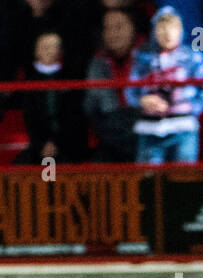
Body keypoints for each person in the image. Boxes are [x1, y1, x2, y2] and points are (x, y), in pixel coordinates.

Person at [126, 6, 203, 164]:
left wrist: (188, 106)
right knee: (149, 180)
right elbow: (130, 92)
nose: (167, 33)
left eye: (172, 27)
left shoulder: (193, 56)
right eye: (162, 27)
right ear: (154, 30)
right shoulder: (142, 57)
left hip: (183, 128)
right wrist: (143, 101)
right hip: (150, 128)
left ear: (180, 29)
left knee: (182, 180)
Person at [15, 32, 86, 165]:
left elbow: (73, 116)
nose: (49, 51)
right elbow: (30, 118)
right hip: (38, 145)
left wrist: (56, 143)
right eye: (44, 47)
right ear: (37, 51)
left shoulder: (70, 79)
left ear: (60, 51)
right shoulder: (29, 82)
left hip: (66, 144)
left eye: (53, 47)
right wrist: (42, 144)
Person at [84, 8, 142, 162]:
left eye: (119, 27)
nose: (113, 33)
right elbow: (92, 110)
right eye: (107, 28)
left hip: (147, 136)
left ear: (133, 28)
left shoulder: (149, 57)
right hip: (111, 138)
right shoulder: (97, 63)